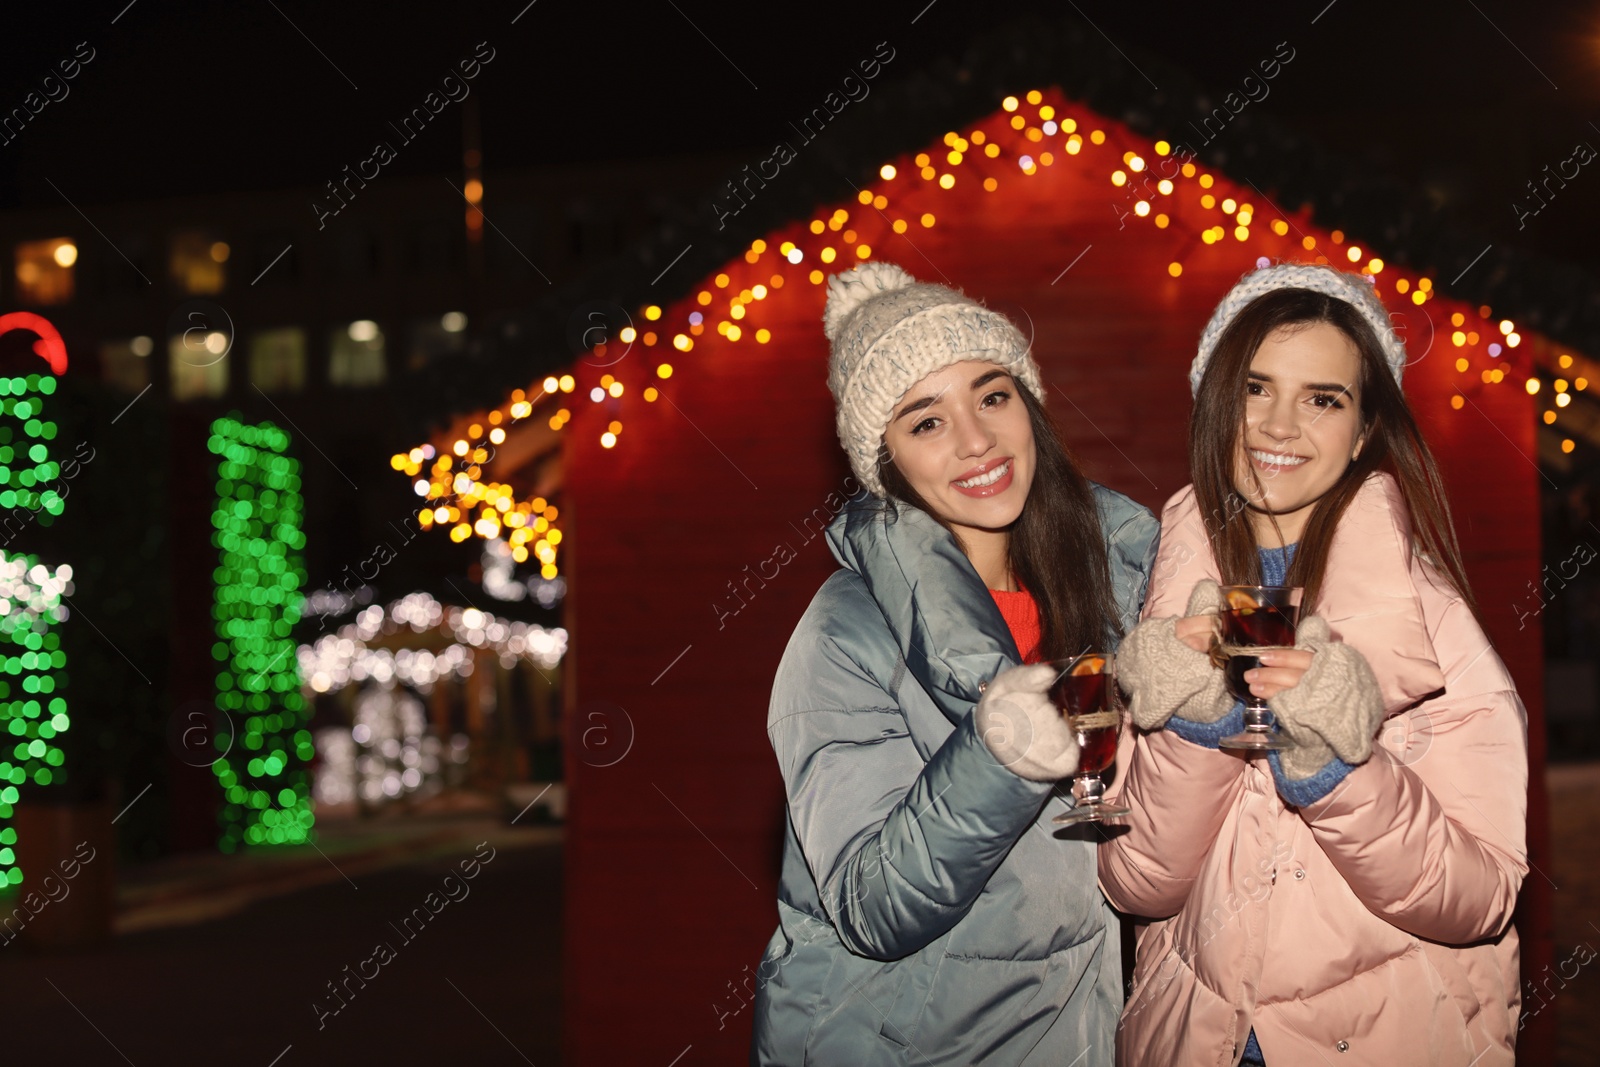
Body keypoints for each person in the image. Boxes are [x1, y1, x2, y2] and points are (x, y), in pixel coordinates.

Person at [1100, 263, 1527, 1065]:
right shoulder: (1167, 619)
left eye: (1322, 398)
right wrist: (1197, 723)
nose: (1278, 426)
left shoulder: (1430, 627)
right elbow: (1136, 884)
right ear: (1215, 404)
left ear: (1364, 431)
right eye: (1255, 388)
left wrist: (1340, 766)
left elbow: (1483, 897)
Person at [750, 262, 1159, 1065]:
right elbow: (872, 906)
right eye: (926, 421)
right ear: (886, 458)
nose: (977, 440)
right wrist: (997, 759)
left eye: (992, 395)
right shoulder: (843, 635)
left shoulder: (1110, 594)